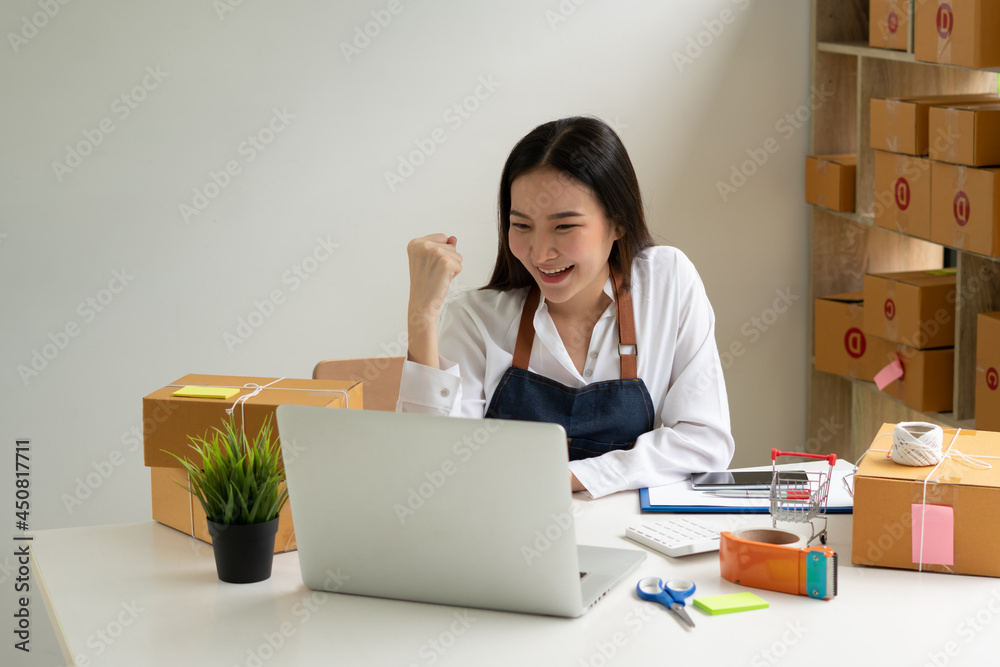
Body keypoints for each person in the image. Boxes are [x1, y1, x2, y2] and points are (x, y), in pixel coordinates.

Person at [398, 116, 734, 498]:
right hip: (505, 543)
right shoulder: (477, 319)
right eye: (521, 225)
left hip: (635, 544)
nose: (540, 252)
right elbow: (431, 471)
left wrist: (571, 477)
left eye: (564, 226)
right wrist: (422, 316)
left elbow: (704, 443)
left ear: (618, 223)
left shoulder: (667, 282)